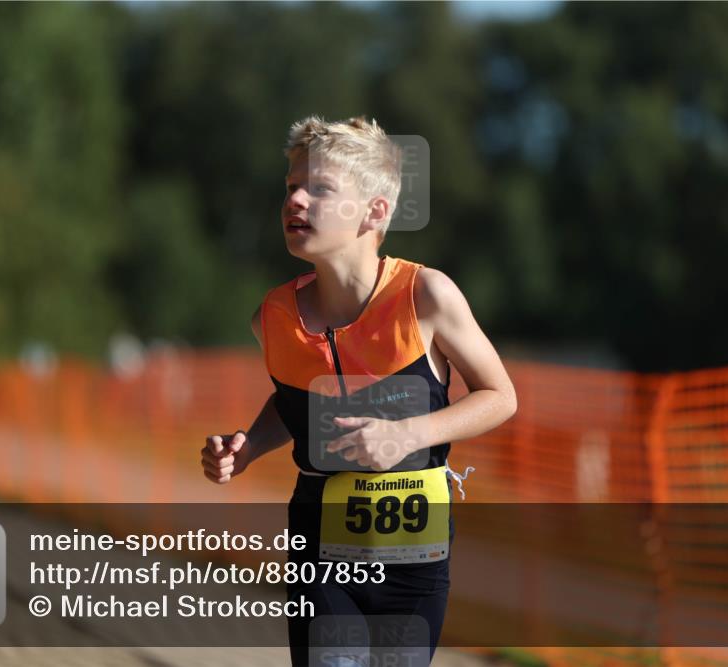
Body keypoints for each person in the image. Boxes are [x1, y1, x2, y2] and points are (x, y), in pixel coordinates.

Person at [202, 115, 517, 666]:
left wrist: (408, 434)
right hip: (322, 555)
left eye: (319, 188)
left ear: (376, 211)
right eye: (291, 187)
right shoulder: (272, 317)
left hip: (413, 561)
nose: (296, 200)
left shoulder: (427, 296)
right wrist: (249, 445)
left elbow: (499, 395)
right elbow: (294, 402)